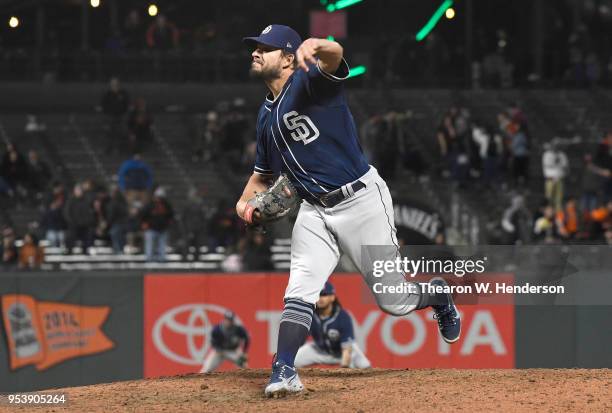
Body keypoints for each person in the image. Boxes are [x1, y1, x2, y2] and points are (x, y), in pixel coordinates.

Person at [236, 25, 461, 398]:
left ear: (290, 58)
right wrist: (244, 205)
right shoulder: (264, 116)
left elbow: (336, 56)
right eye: (255, 48)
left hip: (361, 202)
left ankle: (438, 295)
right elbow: (262, 177)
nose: (255, 53)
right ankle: (284, 370)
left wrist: (319, 44)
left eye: (266, 48)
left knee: (393, 301)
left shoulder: (310, 84)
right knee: (301, 288)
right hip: (313, 210)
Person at [295, 282, 370, 369]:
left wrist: (344, 368)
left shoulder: (342, 316)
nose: (320, 298)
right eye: (318, 295)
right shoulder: (310, 315)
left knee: (365, 366)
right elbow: (300, 339)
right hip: (320, 351)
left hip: (342, 352)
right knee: (292, 360)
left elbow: (346, 349)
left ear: (332, 297)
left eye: (324, 295)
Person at [140, 187, 174, 262]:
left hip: (162, 229)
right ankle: (149, 259)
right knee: (150, 246)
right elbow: (142, 215)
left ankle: (162, 259)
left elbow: (171, 215)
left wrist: (168, 223)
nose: (159, 199)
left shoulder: (166, 205)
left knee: (162, 246)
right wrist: (144, 223)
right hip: (151, 228)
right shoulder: (150, 205)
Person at [101, 77, 130, 154]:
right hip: (111, 117)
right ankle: (109, 149)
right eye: (112, 84)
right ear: (110, 85)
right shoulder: (107, 94)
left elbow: (127, 104)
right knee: (110, 133)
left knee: (122, 133)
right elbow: (103, 106)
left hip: (121, 116)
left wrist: (125, 114)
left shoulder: (123, 94)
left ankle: (122, 149)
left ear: (119, 84)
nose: (114, 85)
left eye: (116, 83)